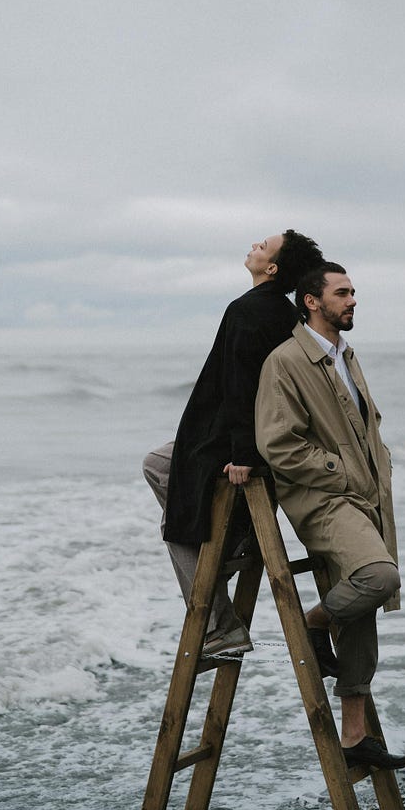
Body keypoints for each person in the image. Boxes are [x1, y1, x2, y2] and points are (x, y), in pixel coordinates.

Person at [255, 262, 405, 771]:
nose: (352, 301)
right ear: (311, 301)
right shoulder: (286, 361)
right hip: (323, 500)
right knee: (377, 576)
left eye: (353, 293)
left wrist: (377, 467)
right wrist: (341, 470)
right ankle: (311, 622)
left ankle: (355, 741)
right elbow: (278, 444)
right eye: (342, 293)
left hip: (363, 496)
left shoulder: (346, 354)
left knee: (365, 606)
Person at [143, 230, 324, 657]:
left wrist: (243, 454)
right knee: (157, 464)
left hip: (231, 440)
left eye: (263, 246)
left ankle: (221, 625)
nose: (254, 246)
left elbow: (245, 386)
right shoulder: (284, 313)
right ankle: (229, 543)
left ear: (273, 268)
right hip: (247, 436)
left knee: (178, 531)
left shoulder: (247, 310)